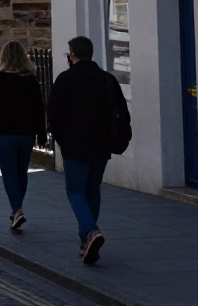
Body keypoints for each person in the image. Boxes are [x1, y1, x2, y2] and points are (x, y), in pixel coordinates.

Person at [49, 36, 131, 266]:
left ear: (72, 54)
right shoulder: (107, 79)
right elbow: (123, 113)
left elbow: (53, 115)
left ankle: (90, 231)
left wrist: (60, 139)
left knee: (75, 190)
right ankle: (87, 241)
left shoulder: (65, 79)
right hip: (101, 144)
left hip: (74, 144)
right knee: (92, 189)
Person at [0, 41, 46, 233]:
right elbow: (39, 109)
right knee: (21, 172)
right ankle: (16, 210)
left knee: (9, 172)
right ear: (23, 57)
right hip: (26, 133)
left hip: (3, 132)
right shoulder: (30, 79)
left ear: (3, 57)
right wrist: (42, 134)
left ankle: (17, 210)